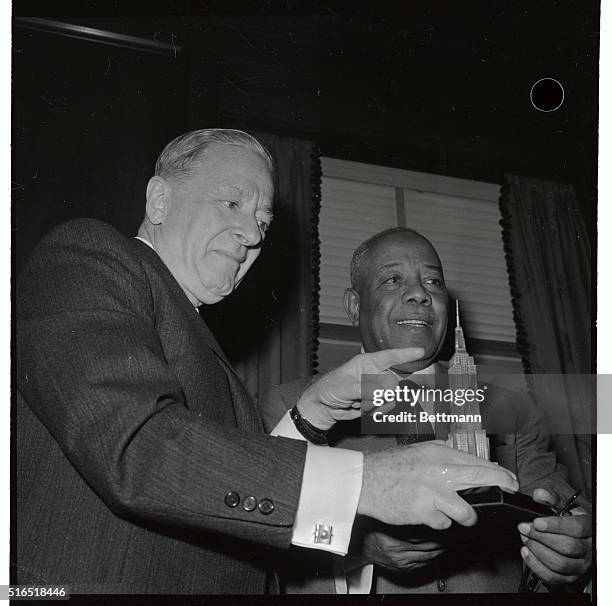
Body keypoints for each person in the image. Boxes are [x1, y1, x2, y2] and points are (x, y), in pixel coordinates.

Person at [14, 131, 518, 595]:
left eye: (262, 221)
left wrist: (311, 414)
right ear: (159, 199)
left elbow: (229, 494)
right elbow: (135, 445)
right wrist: (366, 480)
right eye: (232, 203)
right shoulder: (89, 256)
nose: (251, 236)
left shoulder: (202, 340)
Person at [262, 227, 593, 594]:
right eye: (392, 279)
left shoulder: (509, 407)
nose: (420, 293)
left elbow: (559, 500)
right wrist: (357, 545)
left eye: (433, 281)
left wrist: (576, 544)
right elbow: (262, 537)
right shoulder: (292, 406)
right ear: (355, 306)